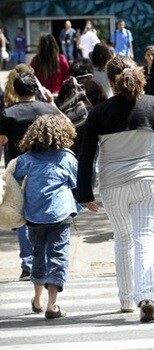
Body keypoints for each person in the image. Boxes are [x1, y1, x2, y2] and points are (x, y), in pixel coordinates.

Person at [76, 56, 154, 322]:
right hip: (149, 183)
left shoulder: (99, 112)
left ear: (110, 81)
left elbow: (86, 155)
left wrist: (84, 193)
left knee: (123, 239)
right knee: (145, 238)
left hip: (113, 185)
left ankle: (127, 300)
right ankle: (146, 296)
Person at [14, 114, 80, 319]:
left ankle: (37, 299)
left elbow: (13, 181)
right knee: (58, 255)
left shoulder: (26, 159)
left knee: (38, 254)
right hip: (60, 215)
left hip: (34, 216)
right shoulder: (67, 158)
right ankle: (52, 304)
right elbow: (76, 183)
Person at [0, 72, 61, 282]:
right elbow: (67, 130)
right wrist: (52, 102)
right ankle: (43, 260)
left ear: (16, 91)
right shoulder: (48, 110)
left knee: (20, 216)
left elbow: (0, 142)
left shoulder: (7, 113)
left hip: (18, 169)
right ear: (36, 90)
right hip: (46, 169)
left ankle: (28, 263)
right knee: (44, 214)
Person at [56, 58, 108, 154]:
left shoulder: (66, 86)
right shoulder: (95, 84)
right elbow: (104, 106)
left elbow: (59, 107)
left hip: (72, 130)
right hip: (92, 130)